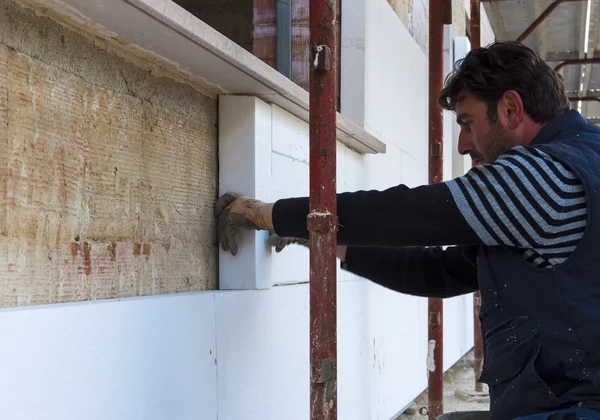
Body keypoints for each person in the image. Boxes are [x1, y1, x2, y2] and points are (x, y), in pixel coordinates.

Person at [213, 42, 600, 420]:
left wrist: (266, 214)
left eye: (468, 123)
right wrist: (325, 241)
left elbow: (406, 215)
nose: (464, 145)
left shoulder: (543, 180)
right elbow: (439, 271)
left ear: (511, 109)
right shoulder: (578, 163)